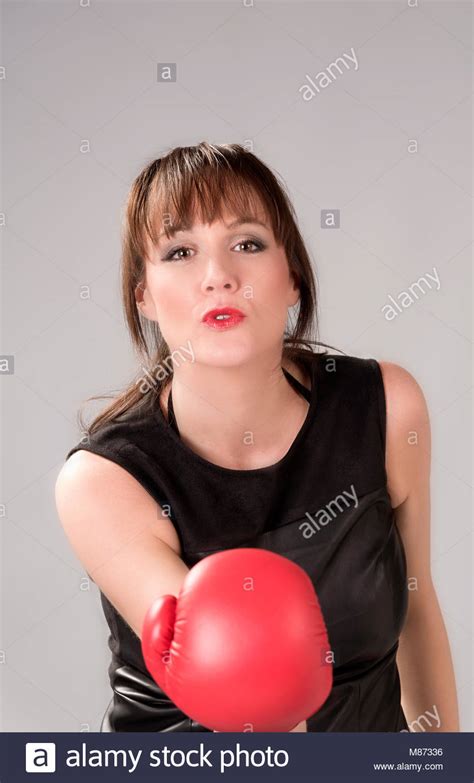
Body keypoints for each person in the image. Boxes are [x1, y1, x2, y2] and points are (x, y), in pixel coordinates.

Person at [55, 142, 459, 733]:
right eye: (181, 252)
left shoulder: (385, 408)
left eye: (247, 243)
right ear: (144, 295)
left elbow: (417, 609)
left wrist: (438, 763)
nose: (219, 277)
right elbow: (251, 689)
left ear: (292, 276)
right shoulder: (105, 480)